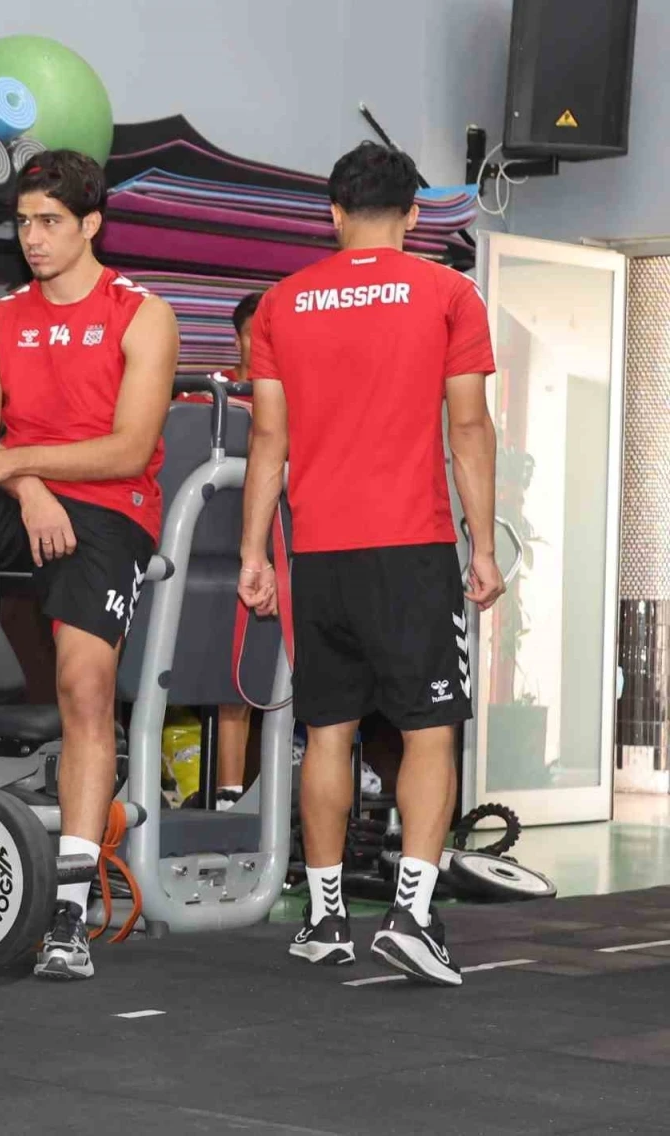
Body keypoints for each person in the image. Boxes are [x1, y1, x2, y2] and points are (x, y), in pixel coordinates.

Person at [0, 149, 179, 980]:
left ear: (91, 224)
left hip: (111, 510)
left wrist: (24, 468)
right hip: (26, 499)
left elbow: (129, 449)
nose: (33, 238)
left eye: (51, 222)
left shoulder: (143, 315)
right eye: (24, 222)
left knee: (84, 687)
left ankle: (69, 908)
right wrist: (28, 488)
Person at [237, 141, 504, 986]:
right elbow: (468, 426)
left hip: (318, 552)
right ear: (415, 215)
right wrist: (484, 544)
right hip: (411, 548)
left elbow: (268, 438)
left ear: (334, 214)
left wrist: (253, 551)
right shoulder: (449, 293)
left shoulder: (282, 303)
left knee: (328, 732)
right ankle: (413, 917)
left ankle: (325, 920)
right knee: (430, 731)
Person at [177, 292, 263, 809]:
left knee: (242, 680)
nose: (266, 345)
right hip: (193, 554)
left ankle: (230, 798)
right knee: (172, 672)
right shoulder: (202, 397)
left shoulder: (301, 400)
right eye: (256, 334)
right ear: (238, 338)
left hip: (262, 556)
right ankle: (161, 787)